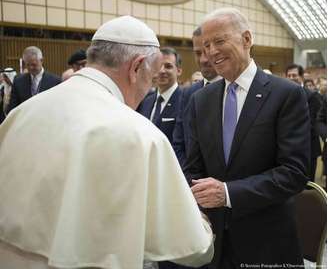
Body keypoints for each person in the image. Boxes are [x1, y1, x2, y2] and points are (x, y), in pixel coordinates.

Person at [0, 15, 214, 269]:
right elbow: (193, 248)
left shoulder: (23, 113)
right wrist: (203, 223)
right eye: (151, 77)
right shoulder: (139, 134)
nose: (148, 88)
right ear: (136, 67)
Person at [184, 8, 310, 268]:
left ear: (247, 39)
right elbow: (194, 166)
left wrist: (229, 193)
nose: (211, 52)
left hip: (267, 244)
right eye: (206, 45)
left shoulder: (286, 95)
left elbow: (294, 172)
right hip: (214, 243)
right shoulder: (200, 100)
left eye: (219, 41)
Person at [173, 26, 220, 166]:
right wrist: (191, 181)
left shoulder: (234, 91)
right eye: (198, 53)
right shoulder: (188, 93)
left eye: (208, 52)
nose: (204, 60)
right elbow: (179, 143)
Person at [138, 47, 182, 144]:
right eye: (158, 66)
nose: (162, 71)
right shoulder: (146, 101)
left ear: (178, 71)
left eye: (168, 66)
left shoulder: (185, 101)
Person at [286, 63, 322, 182]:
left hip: (308, 148)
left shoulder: (313, 96)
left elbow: (315, 122)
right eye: (289, 75)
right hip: (286, 148)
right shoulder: (282, 96)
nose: (291, 78)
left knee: (308, 185)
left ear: (301, 77)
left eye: (294, 75)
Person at [7, 46, 61, 113]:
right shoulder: (18, 81)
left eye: (34, 64)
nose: (30, 68)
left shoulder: (55, 81)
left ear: (41, 61)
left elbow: (58, 106)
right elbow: (13, 107)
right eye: (27, 65)